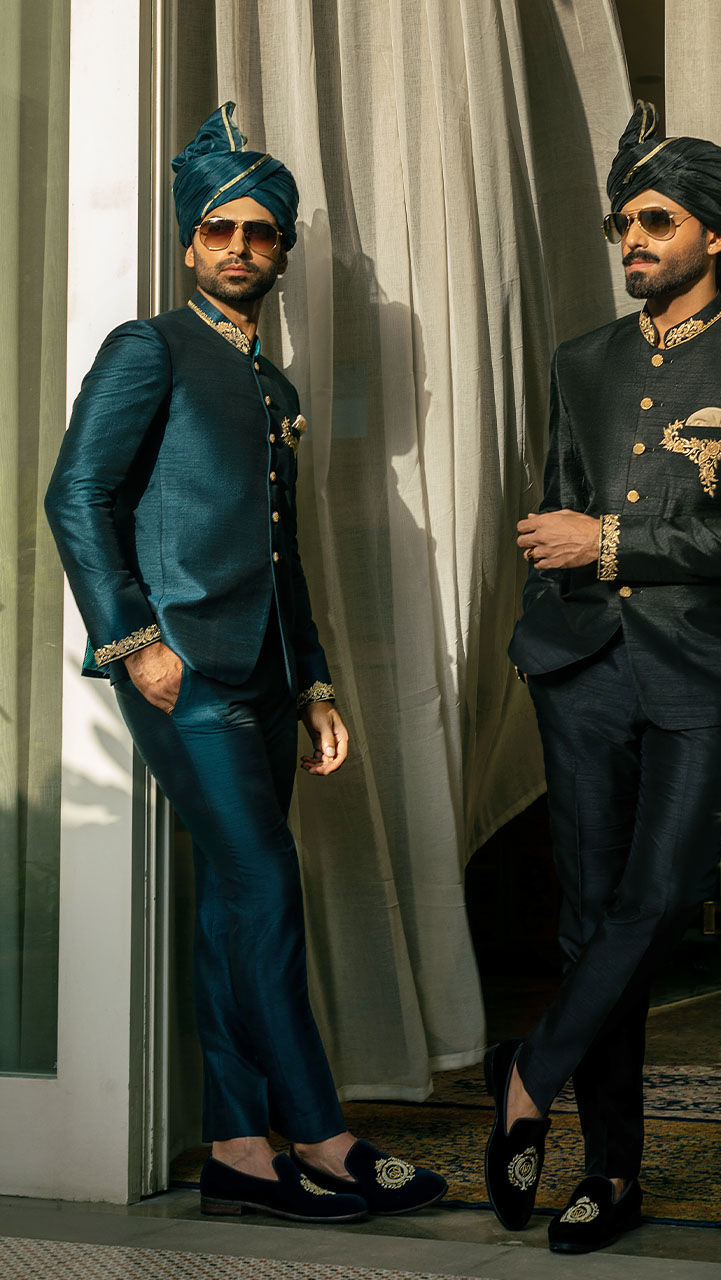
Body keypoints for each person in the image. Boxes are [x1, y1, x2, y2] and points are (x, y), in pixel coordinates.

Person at [45, 103, 445, 1224]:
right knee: (267, 887)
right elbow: (77, 495)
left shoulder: (277, 389)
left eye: (259, 232)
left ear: (282, 250)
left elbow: (283, 550)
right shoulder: (148, 348)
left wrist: (314, 683)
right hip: (186, 673)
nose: (238, 247)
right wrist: (134, 641)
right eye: (219, 229)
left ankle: (236, 1148)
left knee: (234, 901)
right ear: (189, 246)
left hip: (267, 680)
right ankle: (320, 1133)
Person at [484, 101, 721, 1254]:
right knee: (588, 923)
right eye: (624, 222)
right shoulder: (582, 360)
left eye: (656, 220)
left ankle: (528, 1073)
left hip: (705, 674)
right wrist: (560, 559)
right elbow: (559, 507)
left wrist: (613, 542)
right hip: (581, 668)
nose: (633, 239)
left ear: (713, 233)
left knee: (659, 900)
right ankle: (609, 1171)